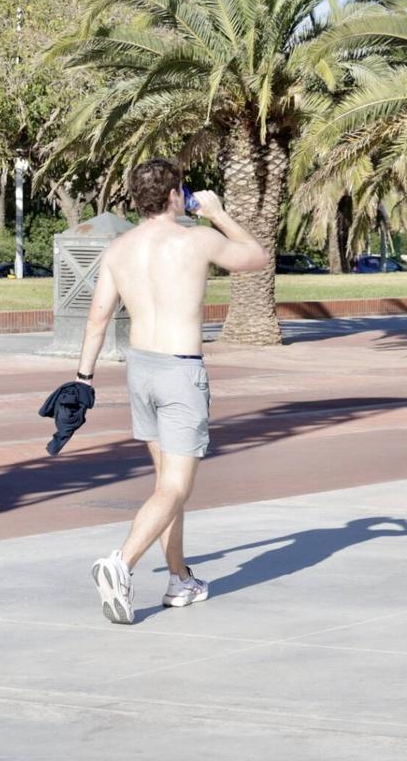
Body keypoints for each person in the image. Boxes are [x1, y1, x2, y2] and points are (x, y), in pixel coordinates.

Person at [76, 158, 268, 625]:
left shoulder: (118, 249)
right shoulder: (196, 240)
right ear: (172, 196)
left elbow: (99, 317)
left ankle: (179, 579)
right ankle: (120, 564)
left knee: (167, 487)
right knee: (177, 486)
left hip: (140, 370)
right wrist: (218, 212)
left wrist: (82, 378)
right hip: (180, 372)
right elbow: (257, 258)